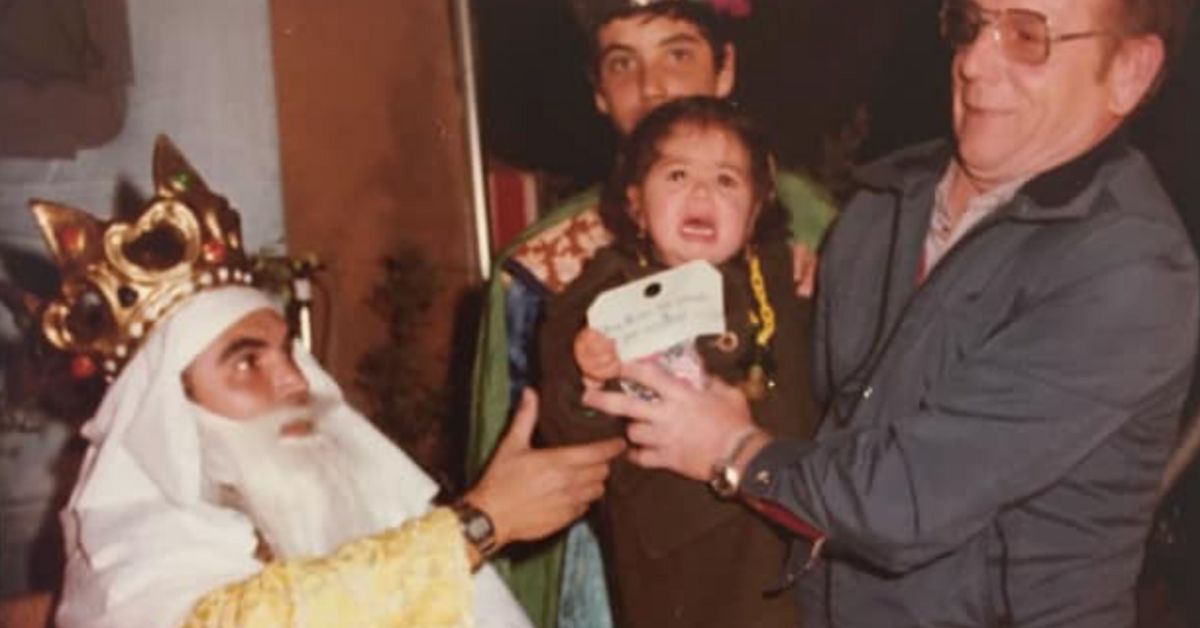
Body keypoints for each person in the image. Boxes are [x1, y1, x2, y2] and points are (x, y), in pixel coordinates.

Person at [583, 0, 1199, 626]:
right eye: (970, 23)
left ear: (1129, 70)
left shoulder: (1128, 269)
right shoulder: (884, 201)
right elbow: (814, 413)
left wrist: (732, 450)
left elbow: (902, 502)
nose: (974, 61)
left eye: (1025, 35)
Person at [35, 136, 624, 628]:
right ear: (169, 411)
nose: (294, 380)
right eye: (247, 362)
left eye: (287, 351)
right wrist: (479, 524)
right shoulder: (132, 549)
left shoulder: (351, 487)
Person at [466, 1, 835, 623]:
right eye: (622, 63)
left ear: (725, 70)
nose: (653, 85)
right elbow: (535, 449)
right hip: (631, 567)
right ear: (598, 94)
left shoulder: (821, 233)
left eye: (678, 53)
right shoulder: (541, 260)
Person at [539, 96, 817, 627]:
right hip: (675, 550)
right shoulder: (604, 291)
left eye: (728, 181)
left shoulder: (781, 277)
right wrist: (586, 370)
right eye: (678, 174)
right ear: (637, 205)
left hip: (786, 528)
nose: (702, 192)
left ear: (756, 211)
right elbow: (565, 428)